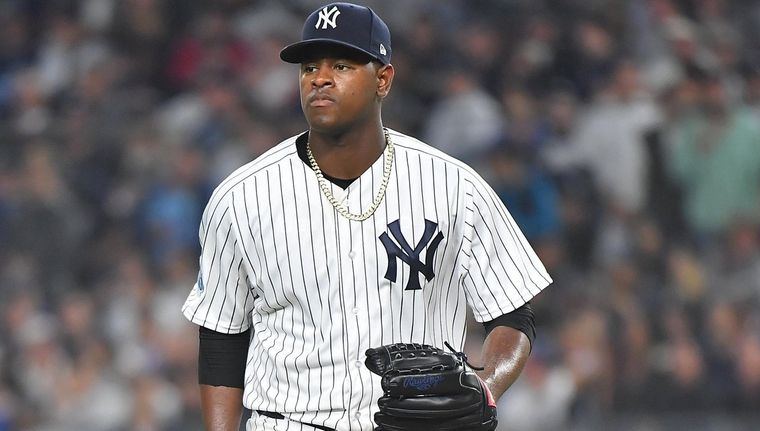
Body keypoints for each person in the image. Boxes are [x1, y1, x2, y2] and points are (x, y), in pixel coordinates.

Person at [182, 3, 552, 430]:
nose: (319, 78)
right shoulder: (240, 197)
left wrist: (487, 386)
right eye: (309, 67)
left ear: (383, 79)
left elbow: (512, 316)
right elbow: (221, 343)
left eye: (341, 64)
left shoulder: (455, 187)